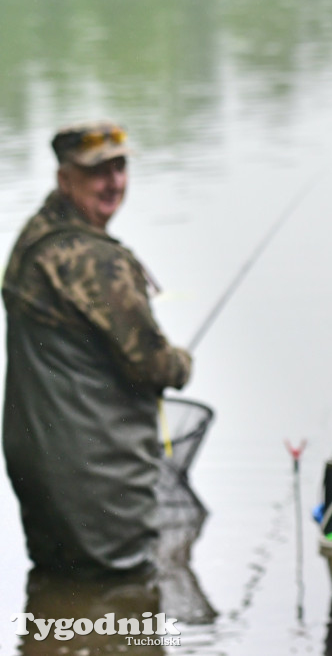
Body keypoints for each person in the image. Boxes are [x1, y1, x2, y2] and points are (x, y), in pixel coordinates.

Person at [2, 120, 192, 577]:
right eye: (97, 172)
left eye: (120, 167)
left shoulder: (34, 239)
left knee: (59, 587)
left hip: (38, 466)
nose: (114, 183)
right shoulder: (97, 261)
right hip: (99, 477)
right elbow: (155, 364)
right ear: (64, 178)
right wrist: (184, 362)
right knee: (126, 601)